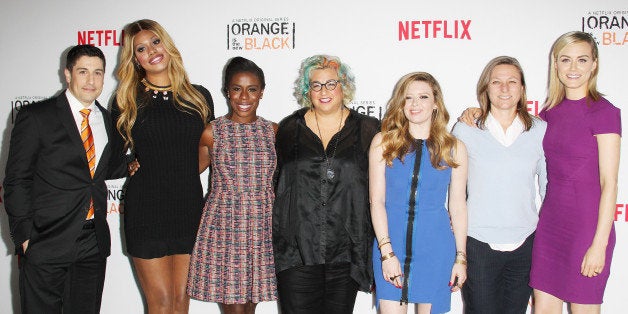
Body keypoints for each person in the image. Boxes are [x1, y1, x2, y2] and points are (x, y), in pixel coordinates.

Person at [4, 45, 126, 313]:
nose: (91, 80)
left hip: (92, 241)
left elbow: (106, 170)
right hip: (46, 240)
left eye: (98, 73)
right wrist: (25, 237)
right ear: (68, 75)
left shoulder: (107, 120)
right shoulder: (36, 117)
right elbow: (16, 180)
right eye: (83, 72)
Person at [112, 19, 214, 313]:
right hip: (146, 208)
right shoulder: (127, 100)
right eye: (141, 49)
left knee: (182, 301)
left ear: (167, 44)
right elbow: (112, 158)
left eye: (155, 42)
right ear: (135, 59)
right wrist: (129, 165)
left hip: (188, 206)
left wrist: (181, 171)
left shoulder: (198, 96)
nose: (152, 51)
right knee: (160, 302)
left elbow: (205, 150)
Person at [273, 55, 379, 313]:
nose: (324, 91)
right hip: (296, 251)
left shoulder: (369, 129)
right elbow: (276, 183)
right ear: (306, 91)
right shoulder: (289, 128)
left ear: (345, 86)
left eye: (331, 83)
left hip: (346, 250)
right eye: (316, 85)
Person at [529, 31, 621, 313]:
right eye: (565, 60)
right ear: (555, 64)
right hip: (550, 226)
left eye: (582, 60)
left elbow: (610, 183)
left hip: (587, 229)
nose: (573, 68)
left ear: (594, 64)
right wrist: (474, 113)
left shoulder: (604, 112)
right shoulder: (547, 114)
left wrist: (599, 244)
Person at [452, 56, 547, 314]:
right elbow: (455, 194)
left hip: (525, 245)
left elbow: (547, 189)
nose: (504, 88)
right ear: (486, 88)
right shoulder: (465, 130)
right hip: (478, 243)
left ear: (522, 89)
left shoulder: (540, 130)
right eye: (497, 82)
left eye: (512, 81)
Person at [370, 72, 468, 314]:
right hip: (390, 245)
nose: (415, 104)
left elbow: (458, 207)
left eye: (423, 97)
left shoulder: (454, 147)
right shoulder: (383, 142)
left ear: (436, 103)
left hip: (436, 247)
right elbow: (377, 201)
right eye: (408, 98)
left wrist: (460, 258)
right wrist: (386, 253)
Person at [187, 57, 277, 313]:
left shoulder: (273, 131)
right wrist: (137, 165)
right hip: (224, 227)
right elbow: (186, 173)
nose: (244, 96)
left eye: (252, 89)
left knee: (250, 308)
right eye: (237, 88)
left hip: (262, 227)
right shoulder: (212, 132)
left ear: (262, 92)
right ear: (227, 91)